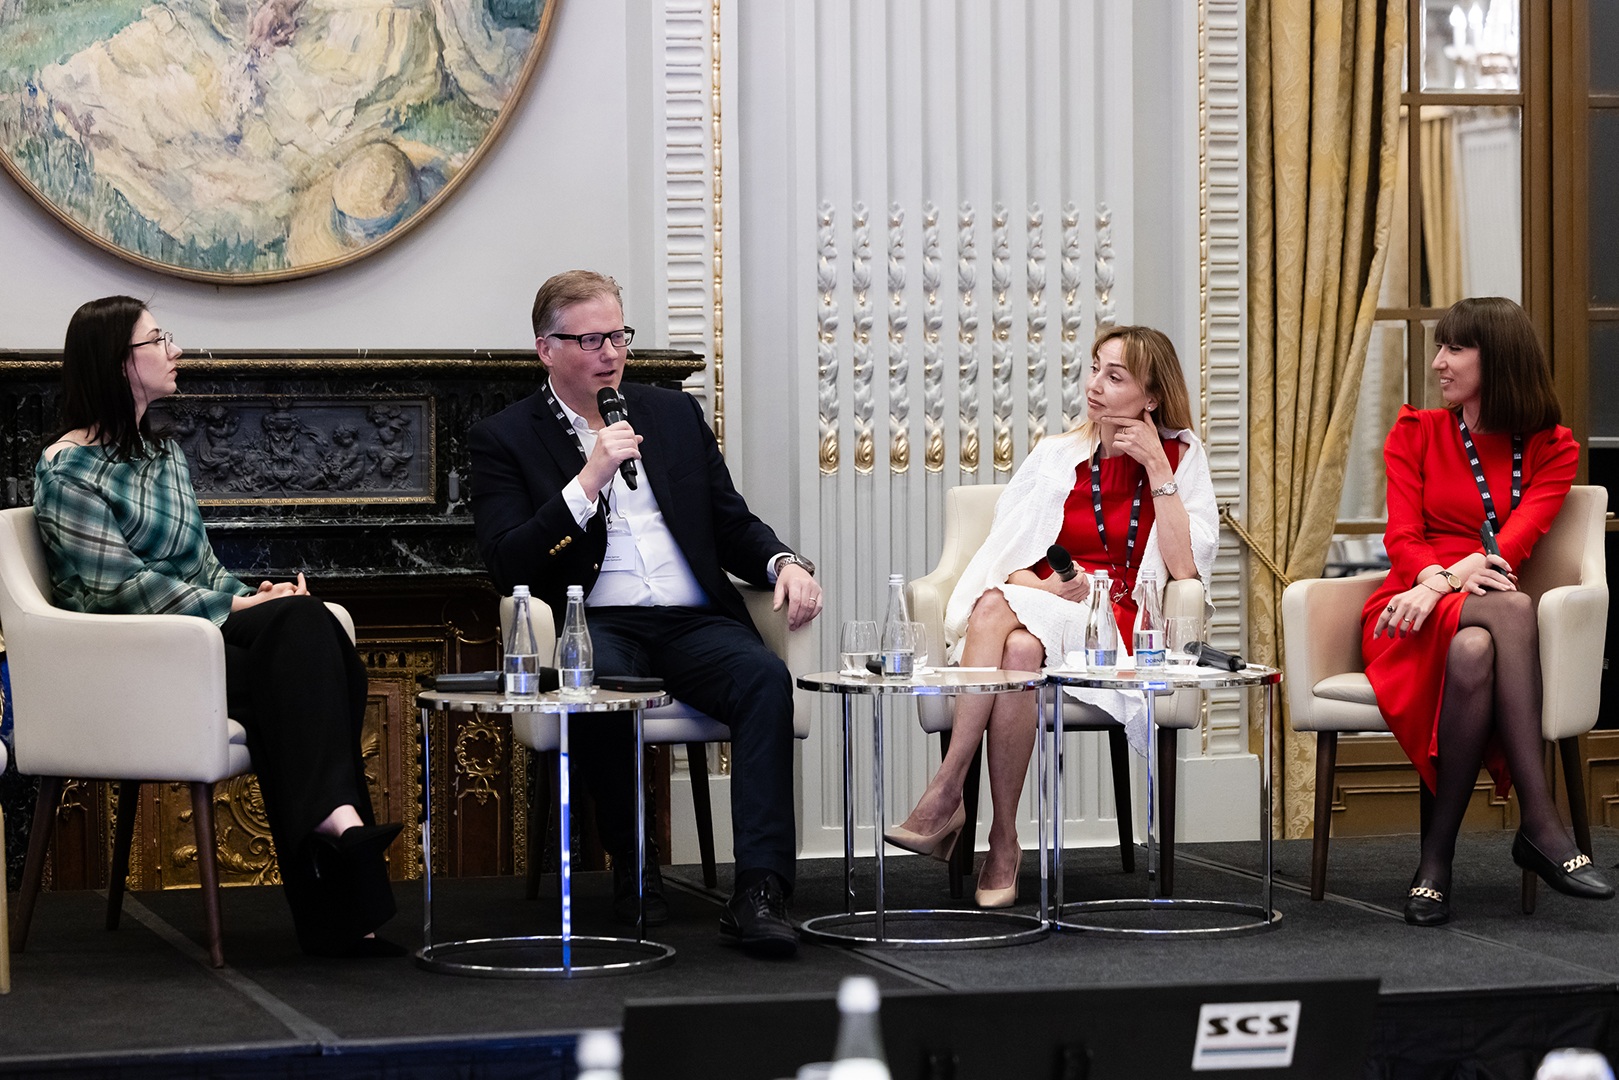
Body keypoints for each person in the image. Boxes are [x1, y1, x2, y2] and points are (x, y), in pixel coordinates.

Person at [32, 296, 401, 957]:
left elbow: (203, 570)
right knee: (298, 642)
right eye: (158, 340)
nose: (175, 351)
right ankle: (346, 895)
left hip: (196, 646)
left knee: (306, 620)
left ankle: (338, 829)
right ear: (119, 363)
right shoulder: (67, 469)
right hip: (130, 661)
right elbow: (115, 588)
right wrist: (238, 610)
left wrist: (253, 596)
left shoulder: (164, 456)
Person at [469, 270, 823, 957]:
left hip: (693, 618)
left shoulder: (671, 415)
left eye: (618, 336)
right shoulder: (503, 438)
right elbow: (508, 563)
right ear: (546, 350)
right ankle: (634, 867)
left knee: (762, 678)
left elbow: (728, 521)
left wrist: (783, 562)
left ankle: (760, 889)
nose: (610, 353)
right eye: (590, 340)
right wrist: (587, 480)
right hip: (597, 620)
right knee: (601, 682)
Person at [885, 326, 1218, 907]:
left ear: (1151, 396)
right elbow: (1006, 564)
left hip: (1118, 624)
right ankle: (1003, 840)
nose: (1094, 385)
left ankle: (947, 791)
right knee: (1017, 646)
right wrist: (1047, 585)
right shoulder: (1056, 456)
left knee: (997, 613)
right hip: (1048, 603)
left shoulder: (1183, 458)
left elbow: (1186, 568)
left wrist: (1157, 470)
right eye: (1094, 368)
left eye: (1114, 376)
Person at [1362, 296, 1613, 926]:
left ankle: (1435, 863)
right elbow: (1401, 537)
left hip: (1481, 603)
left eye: (1455, 348)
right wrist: (1437, 583)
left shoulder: (1554, 447)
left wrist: (1454, 578)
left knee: (1479, 644)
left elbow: (1514, 545)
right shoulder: (1415, 432)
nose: (1439, 363)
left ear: (1496, 359)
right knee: (1513, 608)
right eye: (1440, 347)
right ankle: (1541, 823)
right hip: (1406, 612)